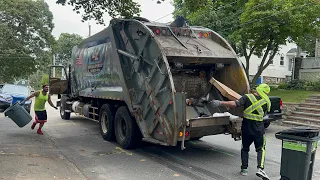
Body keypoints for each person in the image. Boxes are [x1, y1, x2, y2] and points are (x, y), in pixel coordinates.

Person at [210, 83, 271, 180]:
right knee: (261, 149)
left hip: (246, 129)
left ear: (258, 90)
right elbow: (264, 115)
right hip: (258, 130)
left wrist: (220, 103)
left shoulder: (247, 97)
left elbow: (234, 104)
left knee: (245, 149)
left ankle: (244, 170)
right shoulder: (267, 102)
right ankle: (260, 169)